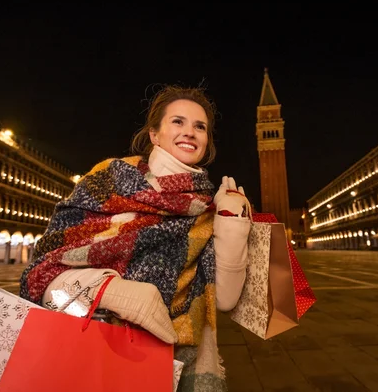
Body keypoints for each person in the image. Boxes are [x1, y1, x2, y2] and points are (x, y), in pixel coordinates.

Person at [19, 84, 251, 392]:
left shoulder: (208, 208)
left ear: (207, 142)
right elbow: (41, 273)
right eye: (178, 122)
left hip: (174, 361)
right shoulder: (108, 179)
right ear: (154, 134)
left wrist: (232, 222)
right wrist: (108, 291)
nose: (190, 132)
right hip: (91, 347)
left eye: (200, 126)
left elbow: (226, 299)